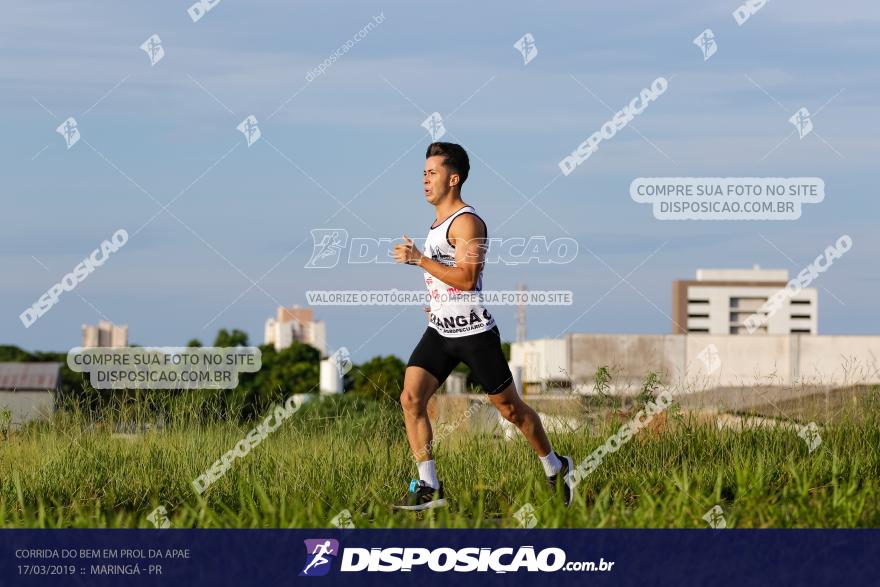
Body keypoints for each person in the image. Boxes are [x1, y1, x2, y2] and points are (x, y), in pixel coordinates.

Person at [391, 141, 575, 511]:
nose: (425, 180)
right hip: (441, 331)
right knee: (411, 399)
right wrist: (436, 300)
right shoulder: (437, 225)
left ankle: (556, 467)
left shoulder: (468, 222)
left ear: (453, 178)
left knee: (510, 410)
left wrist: (420, 260)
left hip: (474, 334)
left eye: (432, 173)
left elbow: (467, 278)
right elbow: (449, 282)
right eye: (423, 173)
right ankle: (430, 487)